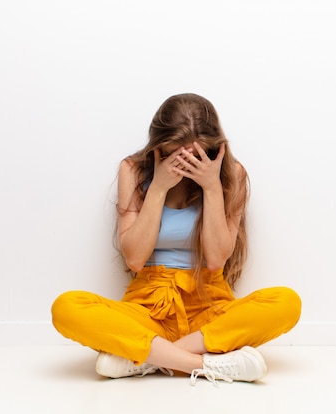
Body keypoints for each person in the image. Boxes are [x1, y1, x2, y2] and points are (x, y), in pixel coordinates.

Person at [51, 93, 301, 385]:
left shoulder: (232, 174)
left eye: (196, 155)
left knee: (286, 302)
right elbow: (134, 259)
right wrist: (157, 188)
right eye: (174, 154)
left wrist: (211, 187)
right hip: (148, 307)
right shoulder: (132, 170)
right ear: (158, 147)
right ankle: (206, 364)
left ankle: (144, 357)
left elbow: (217, 258)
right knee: (66, 308)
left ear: (214, 149)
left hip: (209, 305)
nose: (184, 164)